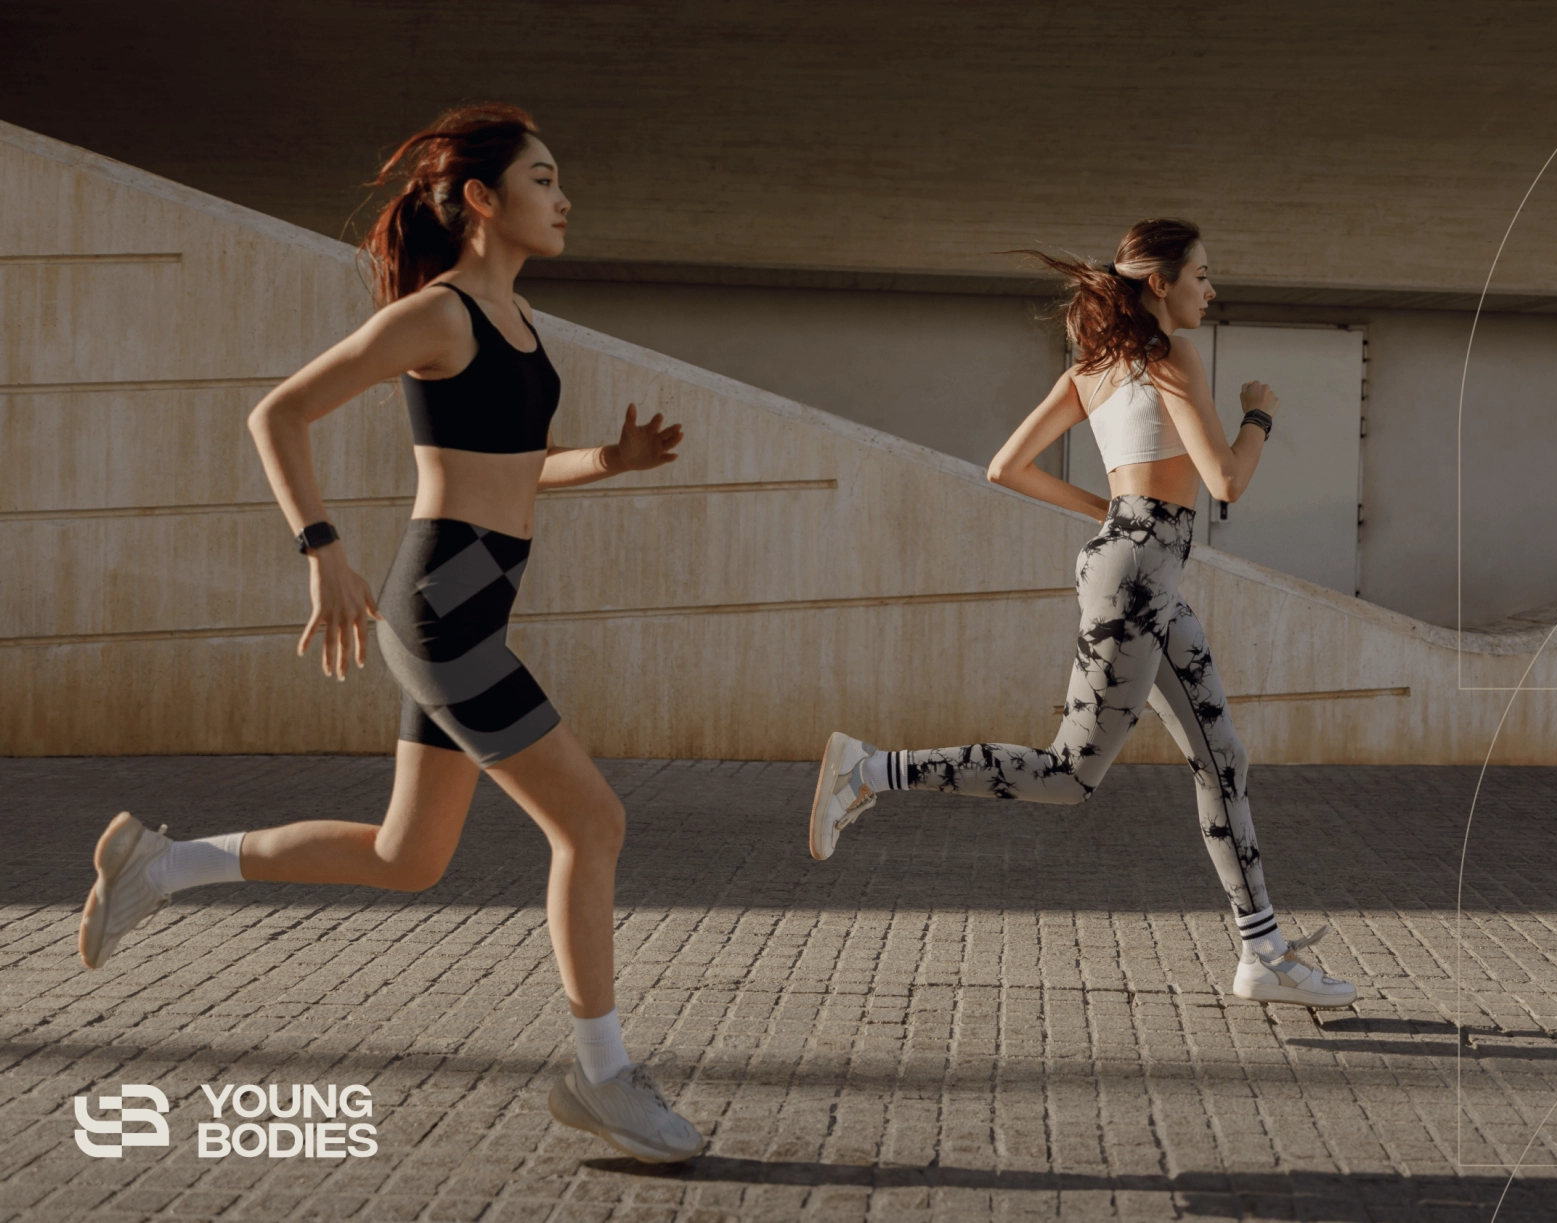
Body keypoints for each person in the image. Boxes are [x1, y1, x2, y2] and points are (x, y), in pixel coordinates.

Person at [75, 104, 706, 1162]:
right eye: (543, 179)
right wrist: (321, 549)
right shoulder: (440, 315)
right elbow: (276, 413)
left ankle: (165, 862)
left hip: (471, 601)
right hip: (443, 611)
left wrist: (608, 461)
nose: (563, 197)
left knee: (406, 855)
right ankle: (603, 1074)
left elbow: (518, 468)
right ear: (480, 200)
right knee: (590, 824)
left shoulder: (517, 323)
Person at [808, 218, 1356, 1009]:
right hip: (1138, 574)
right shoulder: (1171, 356)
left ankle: (1263, 949)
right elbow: (1228, 482)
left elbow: (1008, 467)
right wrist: (1258, 415)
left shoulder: (1091, 369)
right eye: (1202, 273)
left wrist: (1113, 508)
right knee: (1068, 776)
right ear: (1160, 283)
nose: (1212, 287)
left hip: (1139, 567)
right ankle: (865, 770)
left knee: (1223, 757)